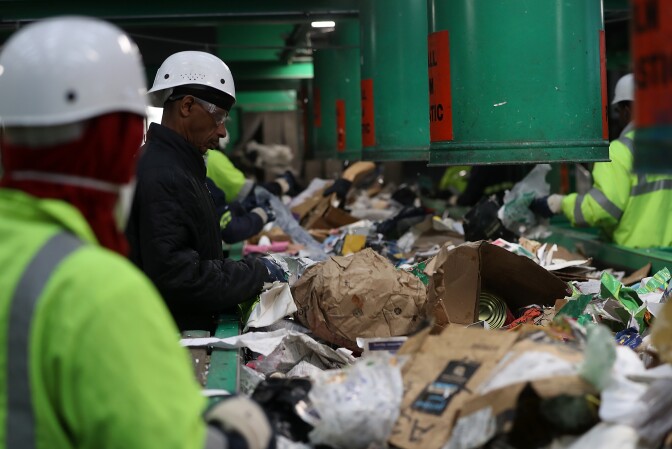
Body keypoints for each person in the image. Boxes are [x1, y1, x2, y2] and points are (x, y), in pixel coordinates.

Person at [0, 16, 272, 449]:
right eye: (218, 116)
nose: (222, 130)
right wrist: (239, 434)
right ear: (117, 136)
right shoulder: (98, 290)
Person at [126, 50, 285, 332]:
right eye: (219, 117)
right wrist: (259, 272)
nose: (223, 132)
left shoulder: (179, 167)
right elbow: (181, 278)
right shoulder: (165, 175)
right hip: (172, 336)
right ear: (187, 106)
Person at [531, 73, 672, 248]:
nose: (618, 116)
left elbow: (601, 209)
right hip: (666, 259)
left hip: (636, 260)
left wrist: (560, 204)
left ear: (627, 110)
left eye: (618, 111)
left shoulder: (620, 152)